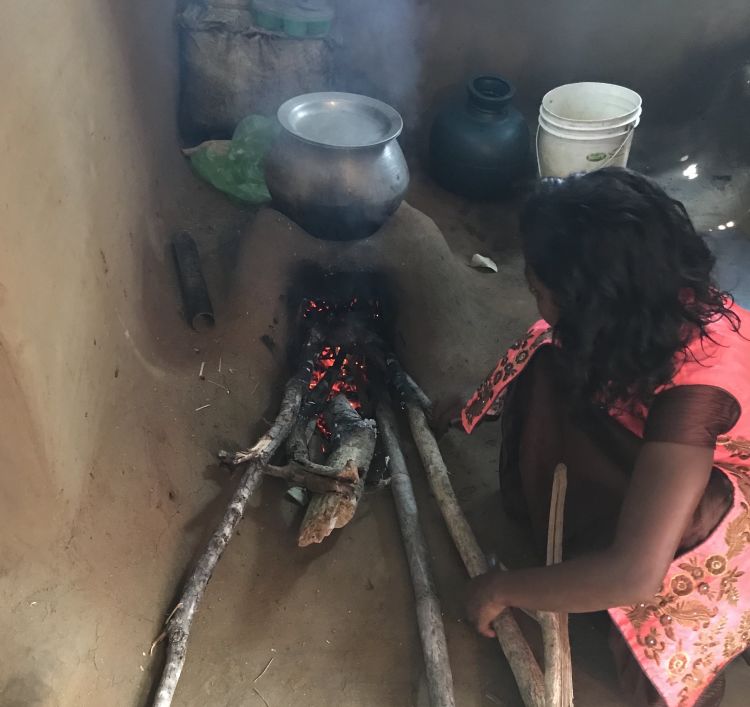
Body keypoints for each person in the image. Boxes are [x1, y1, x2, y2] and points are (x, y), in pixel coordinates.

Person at [454, 168, 750, 707]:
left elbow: (636, 573)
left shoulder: (696, 395)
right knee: (551, 358)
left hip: (731, 490)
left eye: (539, 289)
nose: (535, 301)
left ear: (594, 302)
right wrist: (475, 404)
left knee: (687, 529)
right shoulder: (649, 304)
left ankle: (695, 666)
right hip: (665, 436)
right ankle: (567, 537)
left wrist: (504, 588)